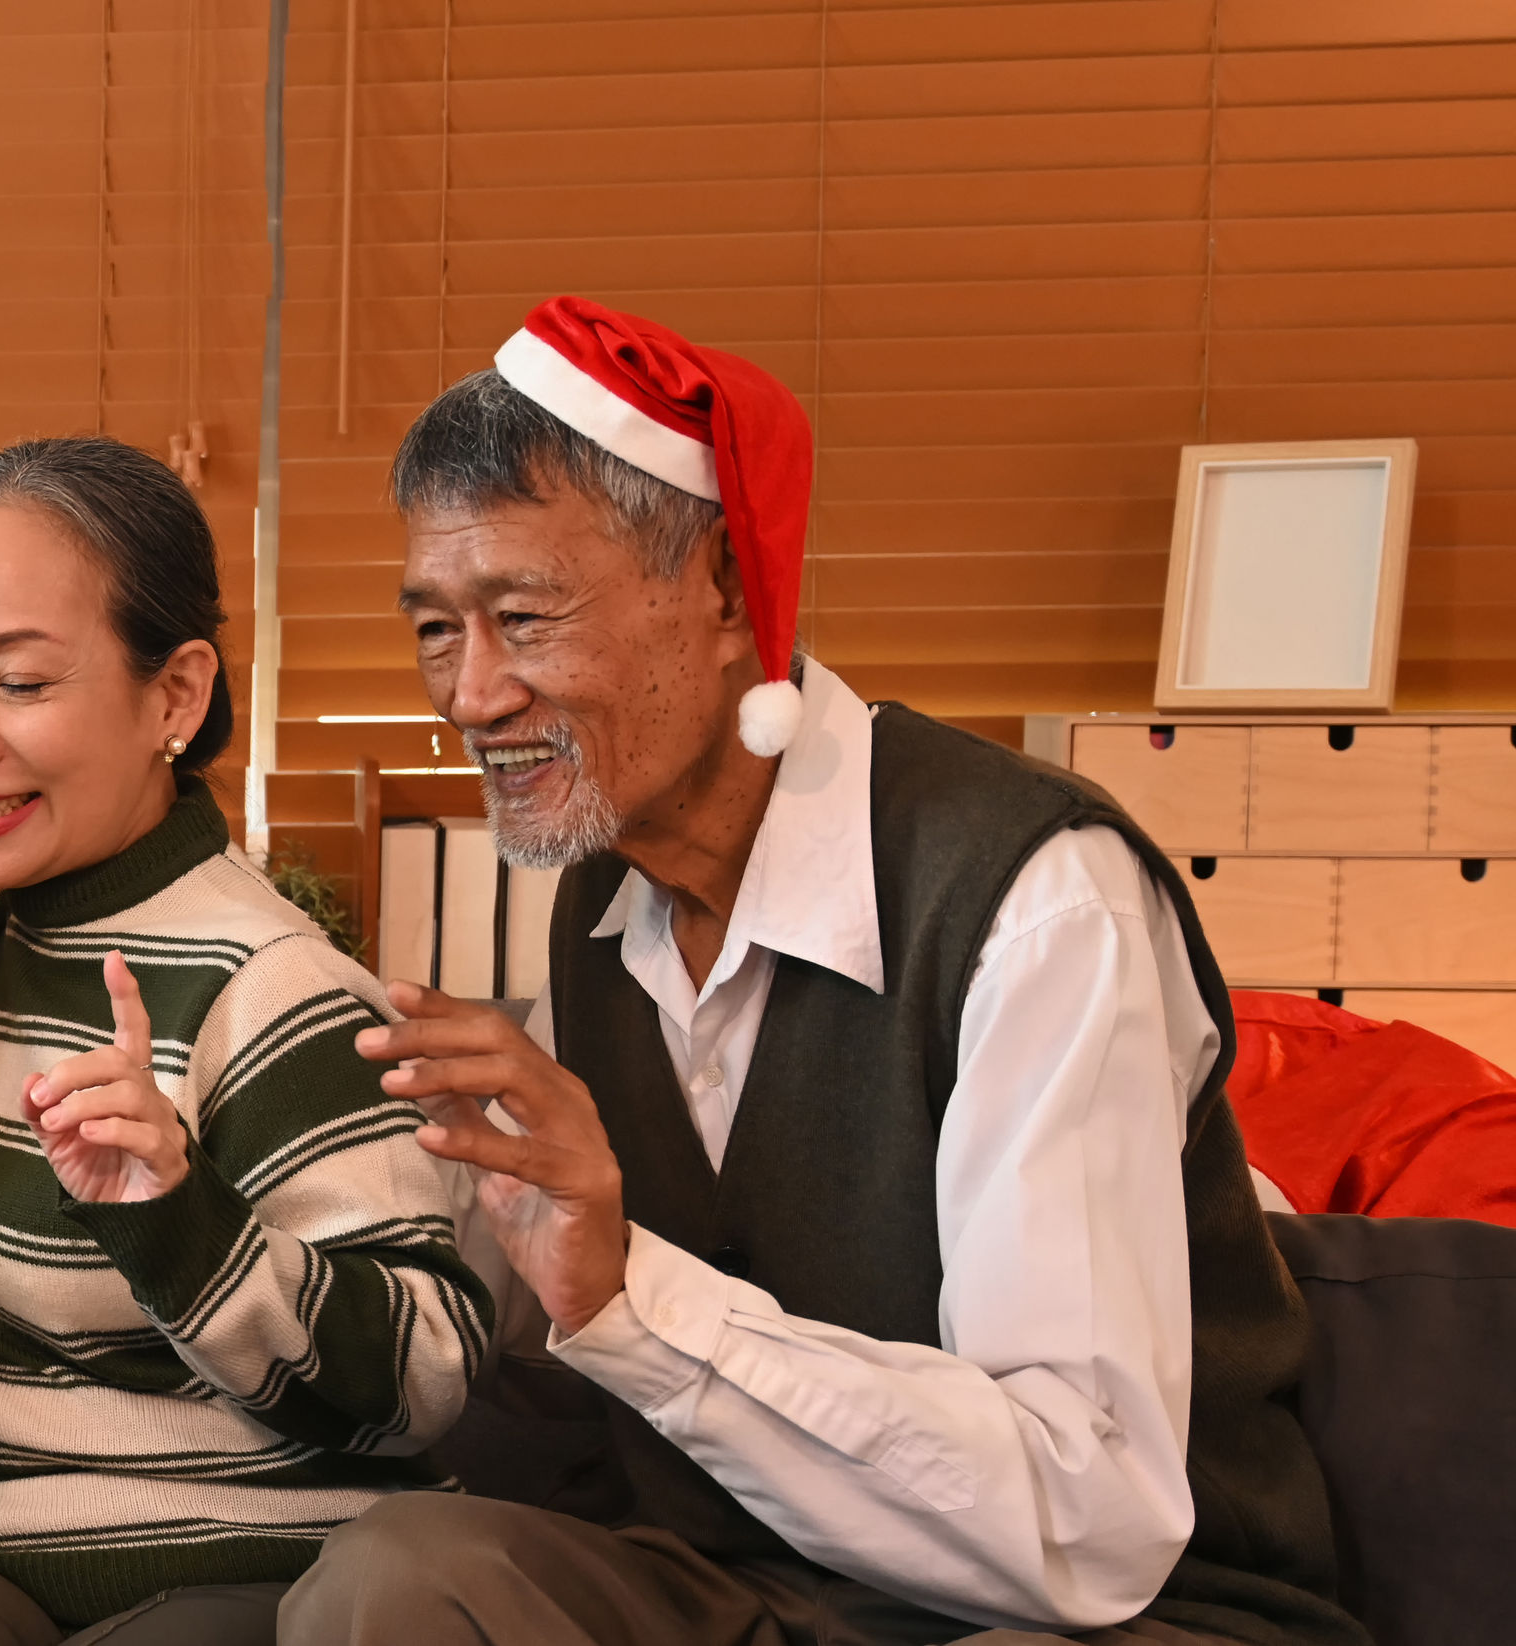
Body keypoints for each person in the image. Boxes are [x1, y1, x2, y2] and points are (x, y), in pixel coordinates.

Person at [279, 297, 1362, 1646]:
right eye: (437, 626)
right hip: (745, 1586)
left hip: (1117, 1617)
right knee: (405, 1572)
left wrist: (632, 1296)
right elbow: (507, 1314)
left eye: (526, 615)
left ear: (728, 591)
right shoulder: (598, 905)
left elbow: (1090, 1519)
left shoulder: (1032, 899)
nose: (470, 692)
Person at [0, 436, 488, 1646]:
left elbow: (423, 1370)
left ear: (175, 696)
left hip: (259, 1559)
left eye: (21, 681)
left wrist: (179, 1218)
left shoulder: (274, 983)